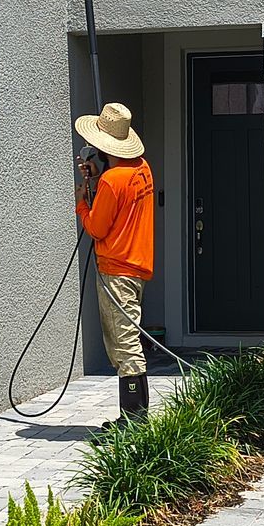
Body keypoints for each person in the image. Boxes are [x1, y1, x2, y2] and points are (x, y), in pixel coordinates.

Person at [74, 101, 155, 427]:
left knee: (124, 344)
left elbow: (96, 228)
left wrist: (82, 201)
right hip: (137, 265)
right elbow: (120, 202)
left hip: (116, 269)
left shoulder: (111, 182)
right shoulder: (142, 169)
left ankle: (134, 420)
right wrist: (99, 172)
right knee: (129, 338)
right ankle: (135, 416)